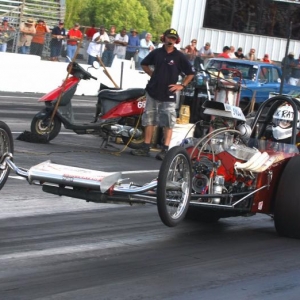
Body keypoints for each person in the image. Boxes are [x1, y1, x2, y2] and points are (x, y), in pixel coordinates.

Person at [131, 28, 194, 160]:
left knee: (168, 121)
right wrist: (152, 74)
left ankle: (165, 149)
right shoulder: (157, 53)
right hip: (153, 91)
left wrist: (181, 85)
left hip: (168, 93)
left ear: (176, 41)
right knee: (149, 119)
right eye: (168, 37)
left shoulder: (179, 56)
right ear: (164, 38)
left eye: (173, 38)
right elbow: (144, 64)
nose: (170, 40)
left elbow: (190, 73)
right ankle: (146, 146)